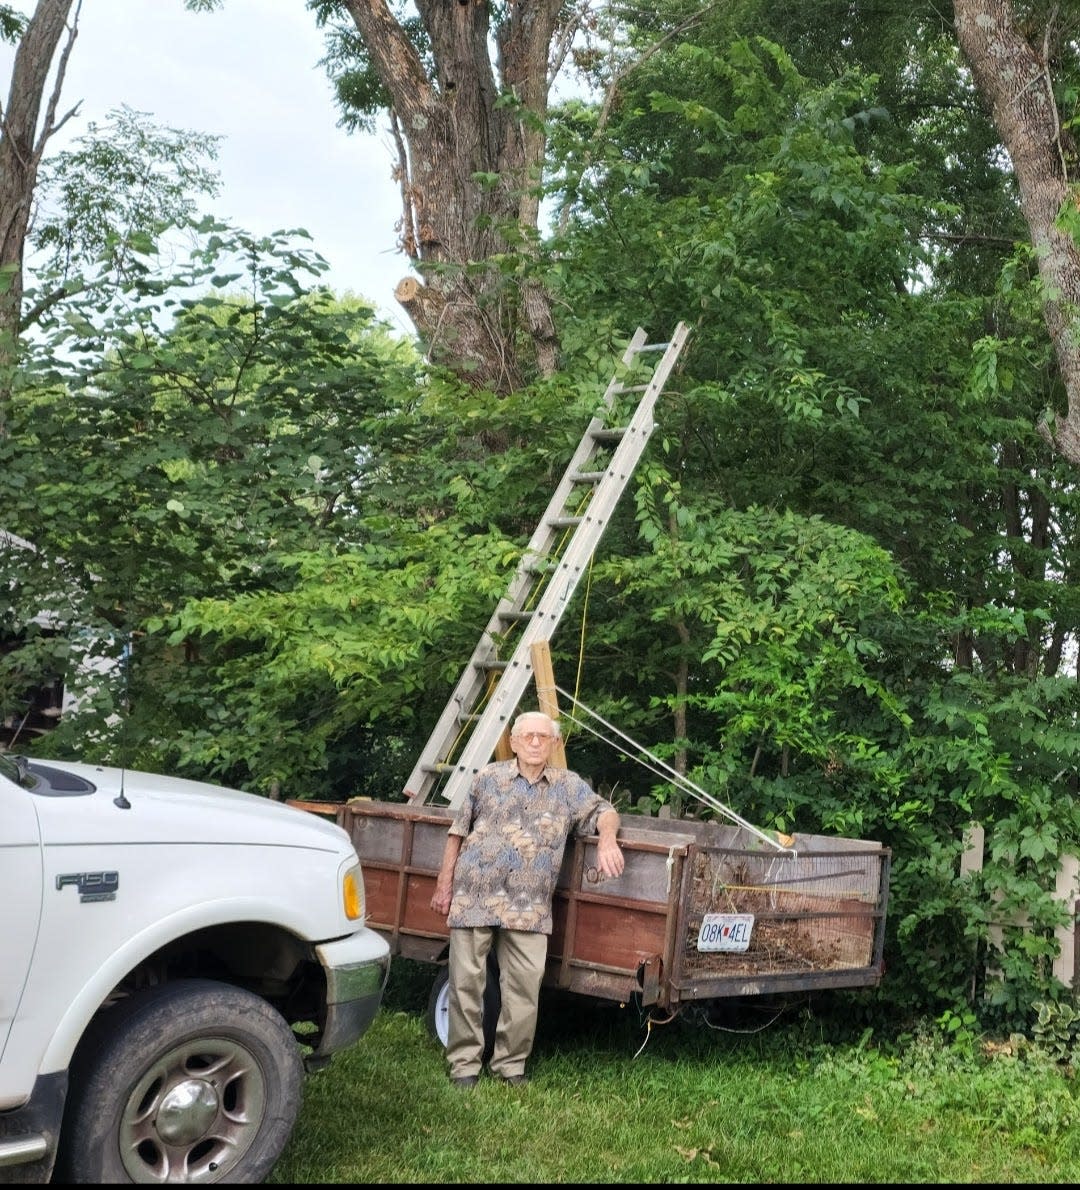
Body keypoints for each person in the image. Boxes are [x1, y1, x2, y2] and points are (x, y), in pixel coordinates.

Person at [429, 709, 625, 1089]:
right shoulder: (487, 778)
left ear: (554, 744)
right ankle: (464, 1067)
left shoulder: (569, 787)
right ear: (514, 742)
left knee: (524, 989)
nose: (535, 743)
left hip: (529, 905)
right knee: (466, 984)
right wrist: (444, 884)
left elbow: (606, 812)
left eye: (543, 737)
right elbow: (457, 832)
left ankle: (509, 1066)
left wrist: (607, 838)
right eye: (528, 736)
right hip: (475, 895)